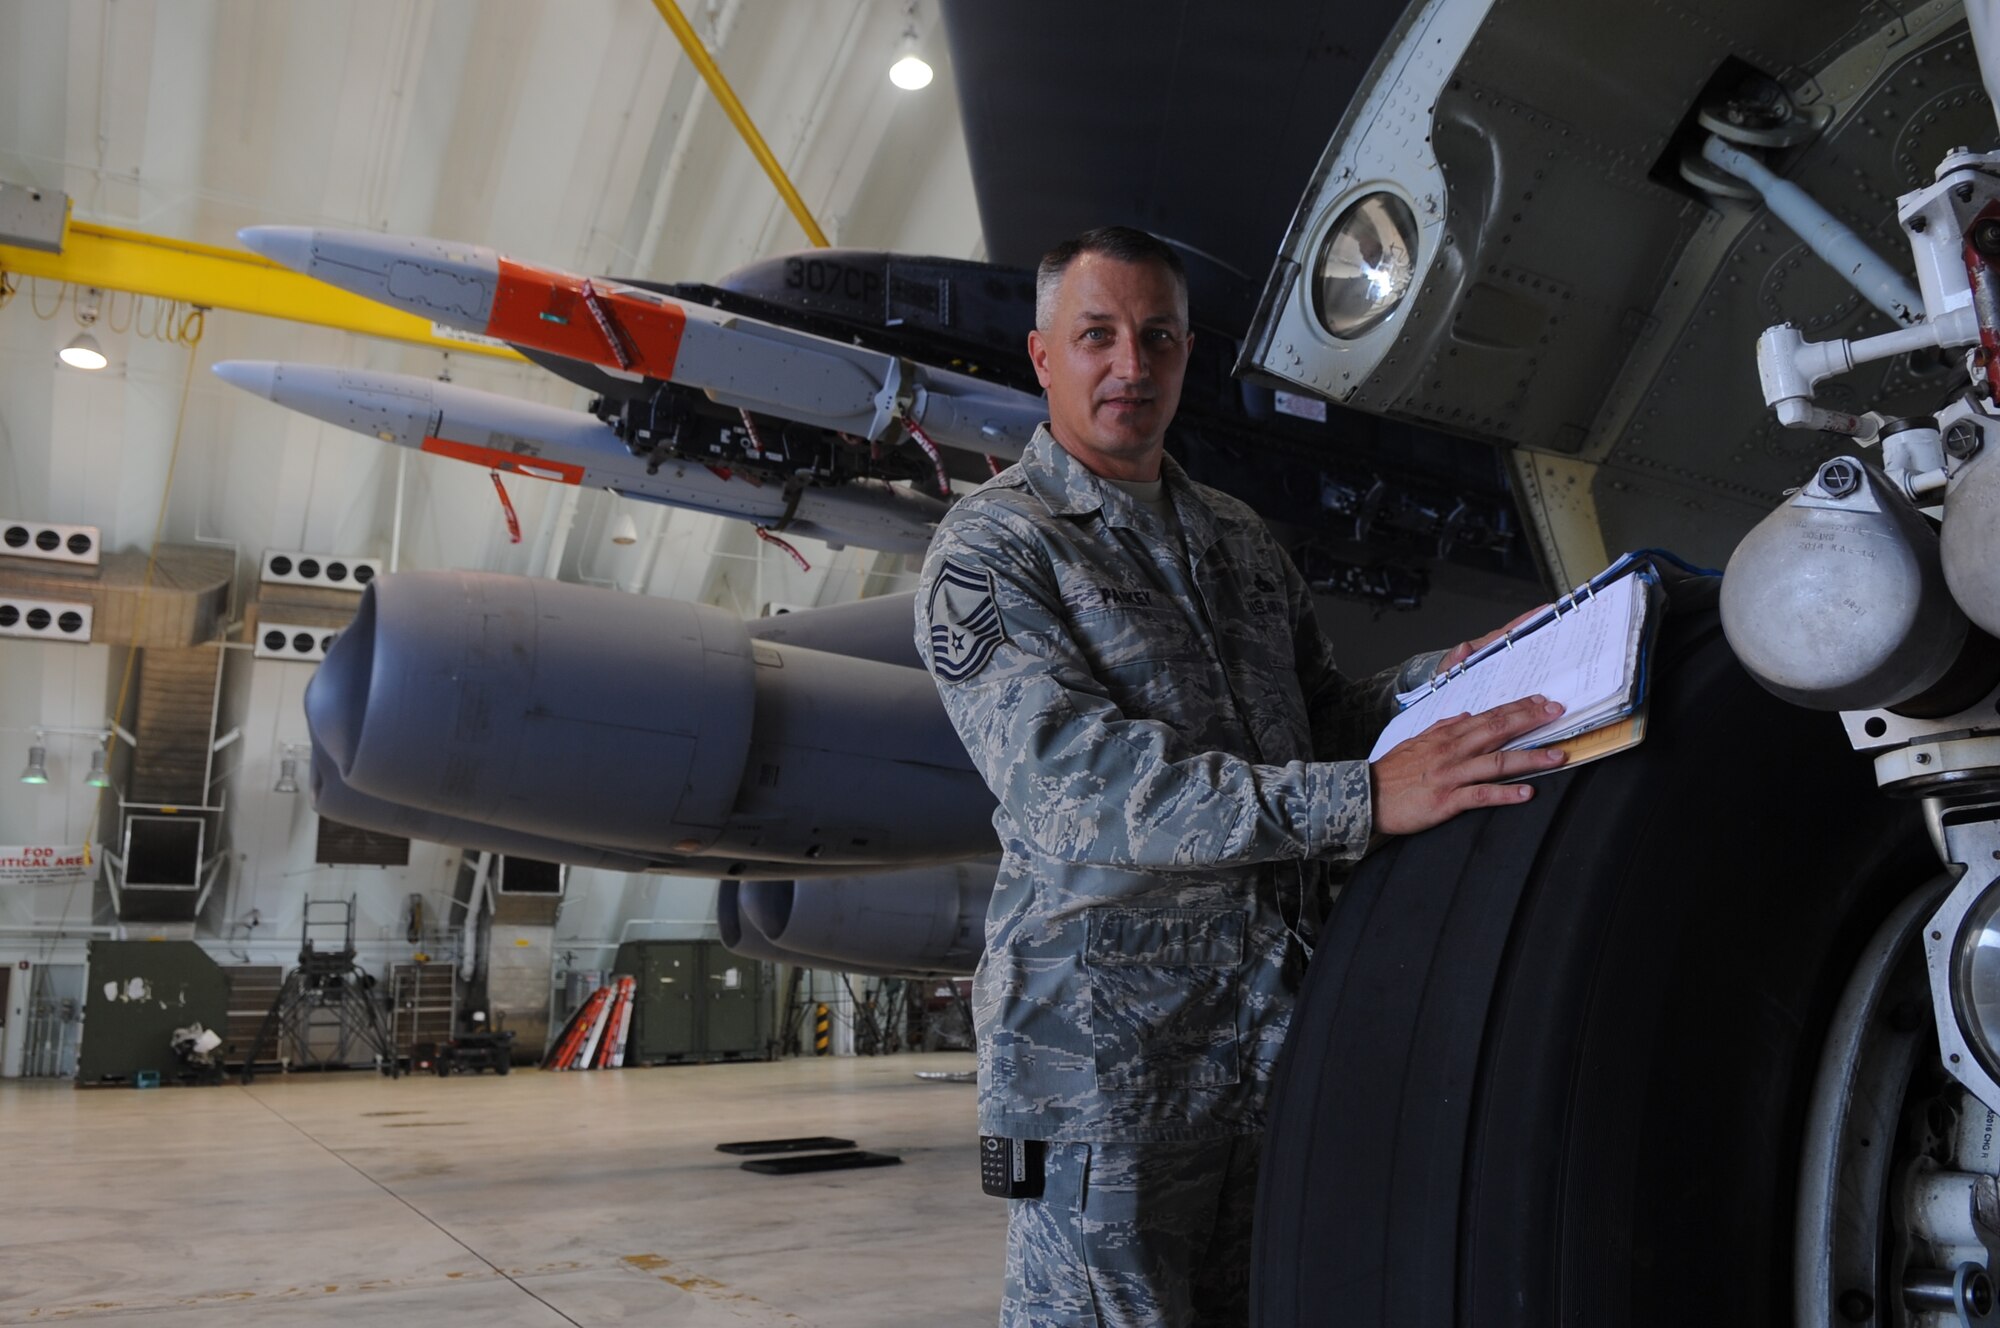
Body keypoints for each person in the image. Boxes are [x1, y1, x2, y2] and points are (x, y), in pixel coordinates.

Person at [913, 226, 1563, 1328]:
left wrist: (1456, 675)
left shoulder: (1236, 538)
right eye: (1097, 336)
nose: (1130, 365)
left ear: (1184, 353)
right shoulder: (995, 548)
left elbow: (1322, 715)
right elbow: (1072, 783)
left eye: (1156, 338)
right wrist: (1359, 801)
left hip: (1266, 1043)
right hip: (1102, 1076)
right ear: (1040, 355)